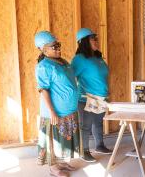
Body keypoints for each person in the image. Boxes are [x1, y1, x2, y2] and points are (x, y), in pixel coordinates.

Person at [35, 31, 79, 177]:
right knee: (53, 141)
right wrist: (52, 111)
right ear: (44, 49)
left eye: (58, 45)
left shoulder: (62, 61)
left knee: (63, 140)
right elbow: (43, 90)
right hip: (55, 112)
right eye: (54, 46)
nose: (58, 48)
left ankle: (61, 163)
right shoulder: (43, 66)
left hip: (68, 110)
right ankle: (53, 168)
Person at [71, 28, 112, 163]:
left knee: (98, 124)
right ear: (83, 42)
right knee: (86, 126)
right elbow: (71, 77)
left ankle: (99, 146)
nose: (96, 41)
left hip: (101, 98)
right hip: (86, 98)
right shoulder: (79, 59)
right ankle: (84, 151)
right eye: (93, 38)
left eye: (96, 38)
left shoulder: (97, 57)